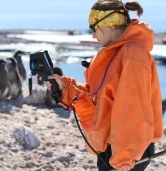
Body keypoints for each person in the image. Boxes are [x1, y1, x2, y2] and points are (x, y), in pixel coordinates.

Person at [46, 0, 163, 171]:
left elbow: (133, 107)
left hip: (127, 151)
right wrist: (65, 87)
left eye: (94, 28)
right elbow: (98, 98)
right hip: (111, 147)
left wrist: (125, 156)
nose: (93, 35)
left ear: (111, 25)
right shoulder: (112, 53)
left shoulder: (133, 54)